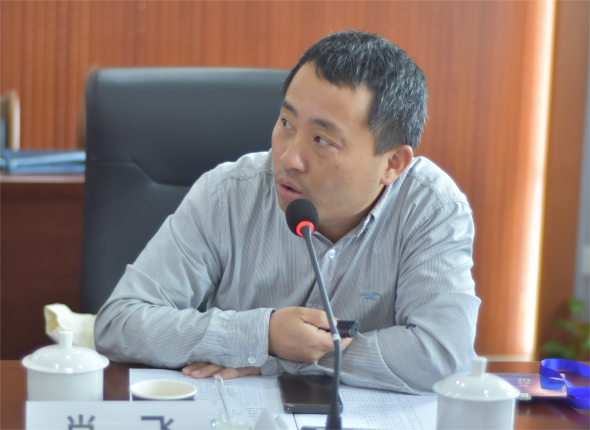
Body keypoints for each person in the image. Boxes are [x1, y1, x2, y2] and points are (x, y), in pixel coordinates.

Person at [94, 30, 480, 395]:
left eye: (322, 140)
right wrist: (264, 333)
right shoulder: (227, 193)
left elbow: (443, 356)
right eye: (285, 123)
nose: (289, 156)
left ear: (392, 163)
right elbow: (119, 323)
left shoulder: (430, 209)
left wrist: (278, 356)